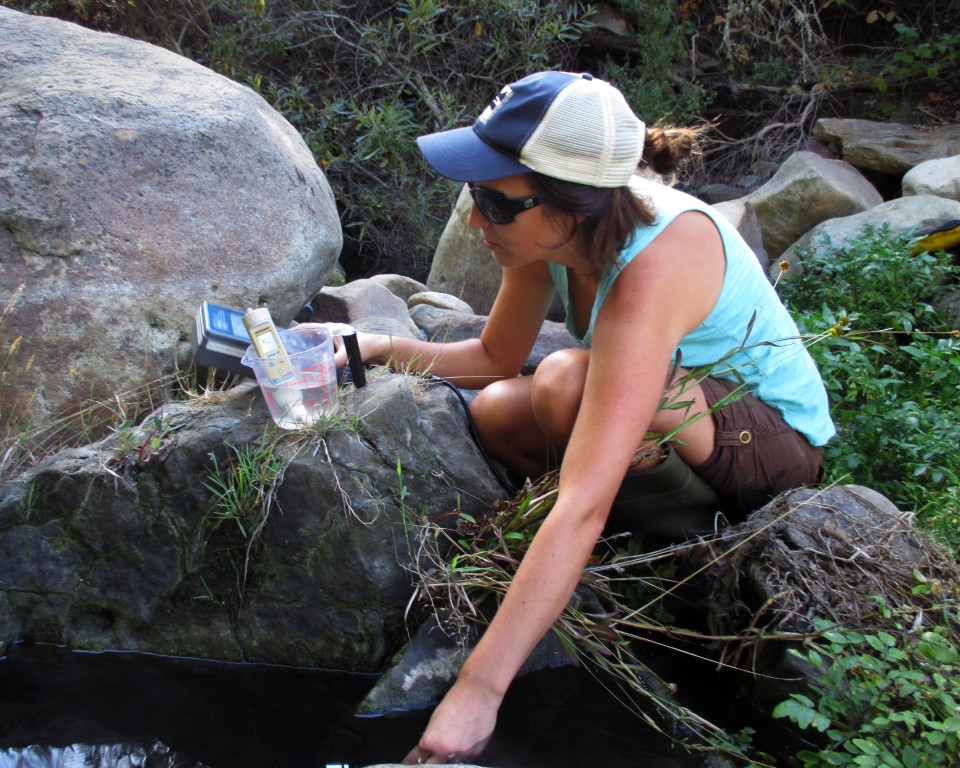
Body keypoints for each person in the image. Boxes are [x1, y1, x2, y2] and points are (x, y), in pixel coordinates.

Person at [335, 71, 834, 764]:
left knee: (567, 381)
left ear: (573, 202)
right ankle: (625, 538)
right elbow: (492, 357)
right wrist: (380, 347)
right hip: (682, 429)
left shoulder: (654, 265)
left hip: (768, 448)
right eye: (474, 194)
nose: (476, 220)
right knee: (502, 411)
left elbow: (580, 506)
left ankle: (696, 542)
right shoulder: (555, 236)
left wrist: (477, 689)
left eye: (494, 201)